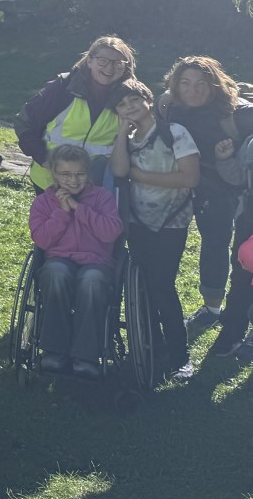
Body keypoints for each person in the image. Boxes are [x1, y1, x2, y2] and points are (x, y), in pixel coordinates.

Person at [108, 80, 198, 380]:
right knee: (143, 287)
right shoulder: (128, 139)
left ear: (148, 99)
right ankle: (151, 348)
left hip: (171, 223)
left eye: (134, 100)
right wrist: (122, 131)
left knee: (161, 286)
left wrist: (141, 176)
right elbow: (119, 170)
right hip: (138, 223)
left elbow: (190, 177)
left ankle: (180, 356)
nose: (129, 107)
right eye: (122, 105)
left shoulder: (175, 133)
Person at [162, 56, 253, 334]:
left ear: (214, 84)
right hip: (188, 186)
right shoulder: (168, 107)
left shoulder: (237, 113)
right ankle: (206, 306)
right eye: (185, 83)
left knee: (225, 246)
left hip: (231, 190)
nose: (193, 90)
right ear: (175, 85)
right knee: (196, 242)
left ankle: (224, 311)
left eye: (201, 83)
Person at [28, 145, 123, 378]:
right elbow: (41, 240)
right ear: (54, 174)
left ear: (88, 173)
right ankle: (54, 350)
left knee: (91, 281)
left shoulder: (102, 197)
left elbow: (111, 233)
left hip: (96, 262)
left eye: (80, 174)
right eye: (65, 174)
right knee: (56, 274)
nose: (73, 180)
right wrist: (61, 212)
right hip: (58, 259)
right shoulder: (43, 202)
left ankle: (86, 355)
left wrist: (79, 209)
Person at [15, 36, 135, 191]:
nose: (109, 68)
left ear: (126, 67)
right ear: (90, 61)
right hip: (50, 182)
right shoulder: (63, 87)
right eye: (103, 61)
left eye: (118, 63)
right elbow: (25, 123)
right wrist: (44, 159)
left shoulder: (130, 97)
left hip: (96, 186)